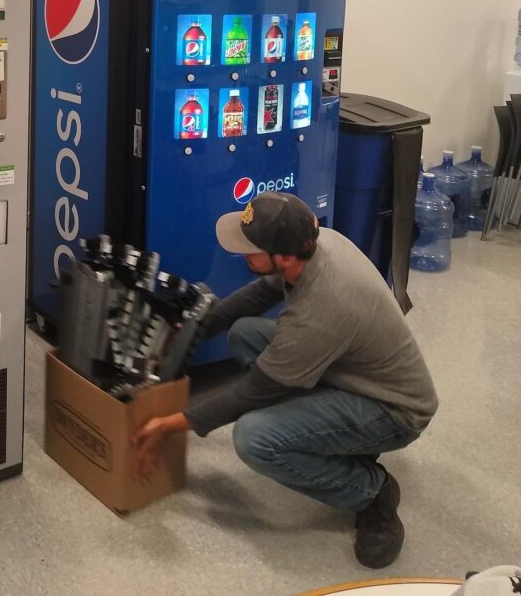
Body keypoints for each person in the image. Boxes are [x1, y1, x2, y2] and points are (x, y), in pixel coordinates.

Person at [132, 192, 438, 569]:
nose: (242, 254)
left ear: (285, 257)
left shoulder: (320, 309)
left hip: (393, 409)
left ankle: (372, 492)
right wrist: (189, 333)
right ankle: (330, 441)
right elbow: (257, 295)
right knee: (244, 333)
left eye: (251, 249)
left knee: (255, 438)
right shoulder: (316, 244)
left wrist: (172, 424)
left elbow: (253, 392)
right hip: (349, 369)